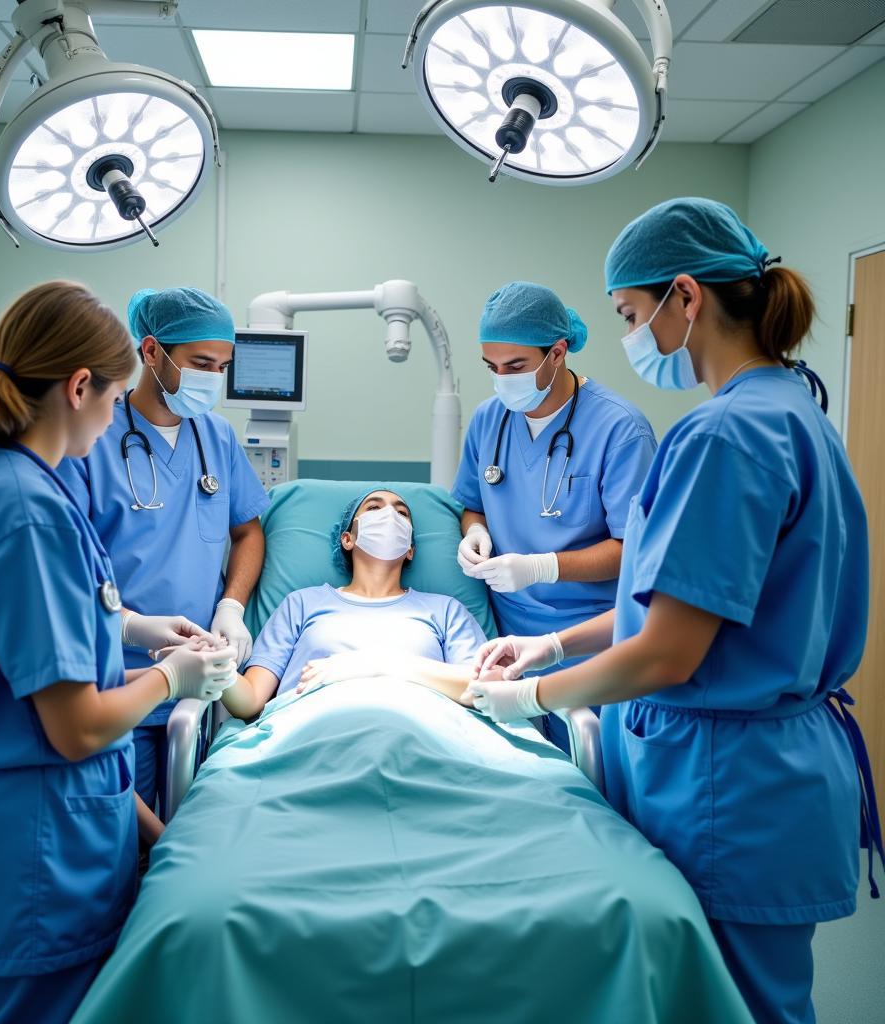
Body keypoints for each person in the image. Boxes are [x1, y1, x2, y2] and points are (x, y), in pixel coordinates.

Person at [465, 199, 883, 1024]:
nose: (629, 335)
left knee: (730, 1006)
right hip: (762, 770)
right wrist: (550, 646)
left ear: (685, 299)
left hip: (728, 785)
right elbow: (668, 607)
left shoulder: (723, 434)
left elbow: (668, 654)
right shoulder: (797, 408)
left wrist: (531, 699)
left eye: (629, 315)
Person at [0, 282, 239, 1024]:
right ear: (79, 387)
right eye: (114, 399)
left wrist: (133, 630)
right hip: (31, 851)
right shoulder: (27, 508)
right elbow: (77, 728)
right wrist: (175, 677)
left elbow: (13, 662)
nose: (112, 420)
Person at [59, 286, 269, 820]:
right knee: (113, 836)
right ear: (150, 351)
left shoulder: (216, 436)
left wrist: (231, 606)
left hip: (198, 679)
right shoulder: (92, 440)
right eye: (201, 363)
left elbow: (248, 531)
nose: (212, 380)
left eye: (222, 366)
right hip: (113, 677)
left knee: (181, 827)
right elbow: (66, 571)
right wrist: (130, 625)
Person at [451, 282, 656, 745]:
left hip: (589, 641)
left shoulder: (620, 430)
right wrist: (475, 531)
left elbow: (635, 552)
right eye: (492, 367)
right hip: (504, 639)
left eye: (516, 366)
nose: (503, 379)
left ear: (557, 352)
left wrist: (542, 567)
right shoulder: (490, 418)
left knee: (594, 780)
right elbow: (470, 502)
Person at [218, 489, 487, 719]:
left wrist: (378, 663)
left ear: (410, 549)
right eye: (374, 508)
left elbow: (481, 690)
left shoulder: (445, 610)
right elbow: (250, 699)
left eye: (402, 513)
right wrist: (215, 663)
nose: (389, 515)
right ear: (348, 539)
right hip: (307, 730)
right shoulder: (302, 604)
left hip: (420, 729)